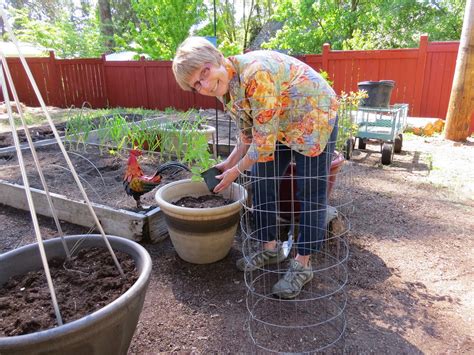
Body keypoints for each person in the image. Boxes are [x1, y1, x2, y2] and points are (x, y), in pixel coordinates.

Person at [172, 37, 339, 299]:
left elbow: (261, 146)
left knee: (311, 193)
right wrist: (227, 163)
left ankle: (303, 264)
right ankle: (271, 248)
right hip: (279, 124)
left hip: (313, 116)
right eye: (196, 84)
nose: (204, 84)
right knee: (262, 181)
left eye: (204, 72)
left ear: (217, 58)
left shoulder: (255, 73)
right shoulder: (224, 89)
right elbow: (250, 136)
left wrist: (235, 171)